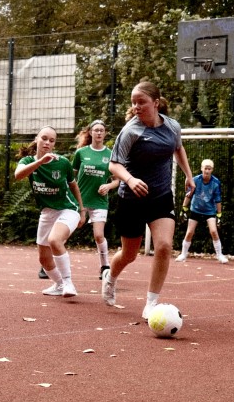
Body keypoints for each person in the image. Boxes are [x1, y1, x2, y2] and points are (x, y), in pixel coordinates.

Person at [101, 81, 195, 318]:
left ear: (155, 102)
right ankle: (110, 276)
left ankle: (151, 303)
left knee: (163, 246)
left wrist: (189, 175)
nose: (135, 106)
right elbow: (114, 164)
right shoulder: (130, 131)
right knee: (129, 255)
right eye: (133, 102)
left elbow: (178, 148)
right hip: (131, 199)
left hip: (160, 197)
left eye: (140, 102)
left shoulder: (172, 126)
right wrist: (130, 180)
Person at [15, 126, 85, 297]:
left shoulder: (62, 163)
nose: (47, 142)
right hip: (47, 212)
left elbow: (73, 186)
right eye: (44, 138)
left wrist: (82, 210)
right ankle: (59, 284)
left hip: (68, 209)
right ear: (37, 139)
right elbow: (18, 175)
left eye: (51, 140)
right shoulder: (27, 162)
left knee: (55, 240)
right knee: (44, 259)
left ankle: (68, 283)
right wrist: (40, 162)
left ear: (54, 144)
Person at [72, 119, 119, 279]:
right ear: (90, 132)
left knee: (99, 235)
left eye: (101, 130)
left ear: (105, 133)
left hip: (99, 201)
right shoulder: (81, 153)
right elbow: (71, 176)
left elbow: (117, 180)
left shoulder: (110, 154)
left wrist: (108, 186)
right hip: (81, 200)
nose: (99, 133)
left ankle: (105, 267)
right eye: (96, 130)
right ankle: (48, 264)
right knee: (66, 231)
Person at [175, 158, 228, 263]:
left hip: (210, 211)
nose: (207, 171)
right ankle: (183, 254)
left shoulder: (216, 182)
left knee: (213, 231)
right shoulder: (195, 180)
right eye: (205, 168)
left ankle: (219, 255)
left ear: (212, 170)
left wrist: (219, 215)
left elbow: (218, 199)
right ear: (201, 169)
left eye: (209, 169)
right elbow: (188, 195)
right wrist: (184, 209)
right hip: (196, 209)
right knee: (190, 232)